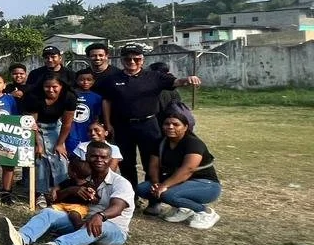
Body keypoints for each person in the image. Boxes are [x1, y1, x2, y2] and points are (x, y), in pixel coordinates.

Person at [0, 140, 133, 245]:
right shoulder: (82, 177)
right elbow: (55, 201)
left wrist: (100, 216)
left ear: (110, 159)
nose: (99, 160)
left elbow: (117, 207)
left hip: (113, 228)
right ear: (86, 157)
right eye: (94, 156)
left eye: (103, 157)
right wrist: (72, 190)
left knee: (96, 225)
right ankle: (21, 239)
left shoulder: (120, 183)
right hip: (82, 221)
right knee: (49, 213)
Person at [101, 45, 202, 186]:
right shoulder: (112, 79)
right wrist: (108, 123)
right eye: (128, 59)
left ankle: (152, 192)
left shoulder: (154, 76)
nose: (132, 62)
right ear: (122, 60)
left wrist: (188, 79)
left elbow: (175, 82)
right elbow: (107, 101)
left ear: (142, 60)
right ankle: (130, 194)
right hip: (122, 125)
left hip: (148, 125)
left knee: (151, 161)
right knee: (126, 162)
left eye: (136, 59)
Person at [136, 112, 222, 229]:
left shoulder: (194, 143)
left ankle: (205, 212)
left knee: (168, 195)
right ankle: (185, 208)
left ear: (185, 127)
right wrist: (156, 183)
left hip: (205, 184)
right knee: (143, 189)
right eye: (167, 124)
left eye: (176, 124)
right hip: (179, 182)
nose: (170, 127)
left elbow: (188, 169)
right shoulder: (161, 143)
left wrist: (164, 186)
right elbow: (154, 166)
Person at [21, 74, 77, 196]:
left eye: (54, 87)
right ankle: (40, 192)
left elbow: (67, 124)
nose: (51, 90)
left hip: (55, 126)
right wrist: (38, 144)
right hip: (35, 128)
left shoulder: (69, 97)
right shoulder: (34, 97)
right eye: (47, 87)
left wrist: (60, 144)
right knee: (39, 157)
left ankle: (60, 191)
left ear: (61, 86)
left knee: (60, 157)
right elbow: (32, 123)